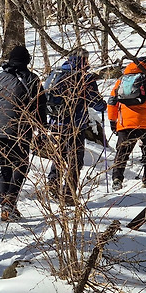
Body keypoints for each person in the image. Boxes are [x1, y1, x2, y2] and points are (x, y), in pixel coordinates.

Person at [0, 45, 44, 221]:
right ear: (27, 61)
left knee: (6, 168)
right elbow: (40, 106)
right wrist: (41, 128)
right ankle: (9, 203)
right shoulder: (32, 79)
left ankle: (6, 209)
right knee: (21, 166)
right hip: (19, 129)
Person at [42, 50, 106, 202]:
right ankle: (69, 193)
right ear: (84, 60)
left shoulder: (57, 72)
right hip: (75, 124)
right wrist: (102, 105)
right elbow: (95, 102)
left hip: (56, 122)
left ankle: (53, 184)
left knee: (60, 154)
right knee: (75, 159)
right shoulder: (84, 77)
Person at [107, 56, 146, 188]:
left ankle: (117, 179)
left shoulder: (122, 80)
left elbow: (112, 102)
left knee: (122, 152)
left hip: (125, 123)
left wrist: (112, 120)